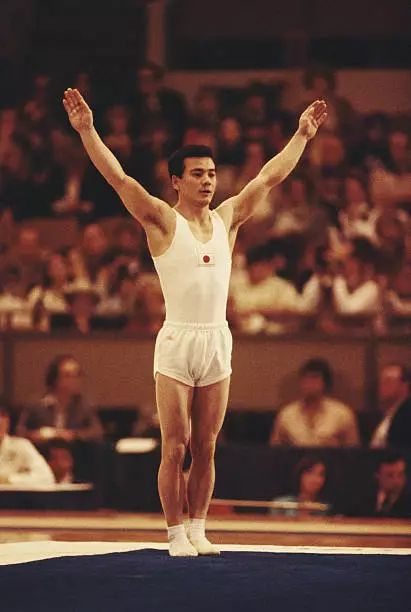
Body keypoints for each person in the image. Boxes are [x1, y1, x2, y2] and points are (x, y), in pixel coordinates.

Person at [62, 86, 327, 557]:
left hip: (217, 341)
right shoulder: (162, 221)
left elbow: (267, 179)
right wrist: (88, 131)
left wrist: (302, 137)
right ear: (176, 182)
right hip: (178, 341)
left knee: (205, 447)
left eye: (212, 174)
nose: (208, 182)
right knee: (174, 446)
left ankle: (200, 527)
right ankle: (174, 532)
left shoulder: (228, 219)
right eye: (197, 175)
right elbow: (119, 179)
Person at [270, 358, 360, 447]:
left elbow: (353, 451)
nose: (308, 382)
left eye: (314, 378)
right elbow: (274, 450)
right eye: (305, 378)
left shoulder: (342, 413)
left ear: (325, 382)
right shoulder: (286, 414)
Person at [17, 354, 103, 444]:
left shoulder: (82, 405)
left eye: (77, 375)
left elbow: (97, 432)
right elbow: (20, 433)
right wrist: (35, 435)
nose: (74, 380)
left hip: (73, 454)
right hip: (41, 454)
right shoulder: (37, 405)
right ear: (55, 379)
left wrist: (72, 434)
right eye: (68, 376)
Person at [0, 404, 55, 486]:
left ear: (7, 421)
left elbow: (46, 478)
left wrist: (8, 480)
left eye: (3, 417)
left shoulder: (22, 446)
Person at [370, 363, 411, 449]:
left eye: (388, 381)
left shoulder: (407, 413)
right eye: (381, 381)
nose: (382, 385)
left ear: (404, 385)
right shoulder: (389, 412)